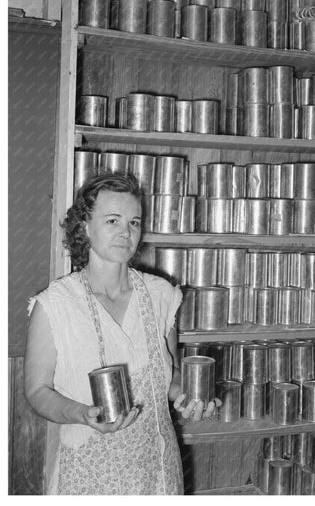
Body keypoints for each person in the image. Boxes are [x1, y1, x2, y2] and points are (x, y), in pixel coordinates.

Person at [24, 172, 217, 495]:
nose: (125, 232)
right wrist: (83, 414)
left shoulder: (160, 295)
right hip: (89, 474)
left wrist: (187, 395)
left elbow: (168, 374)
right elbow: (37, 391)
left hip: (157, 469)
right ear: (84, 227)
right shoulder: (56, 305)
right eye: (112, 221)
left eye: (134, 222)